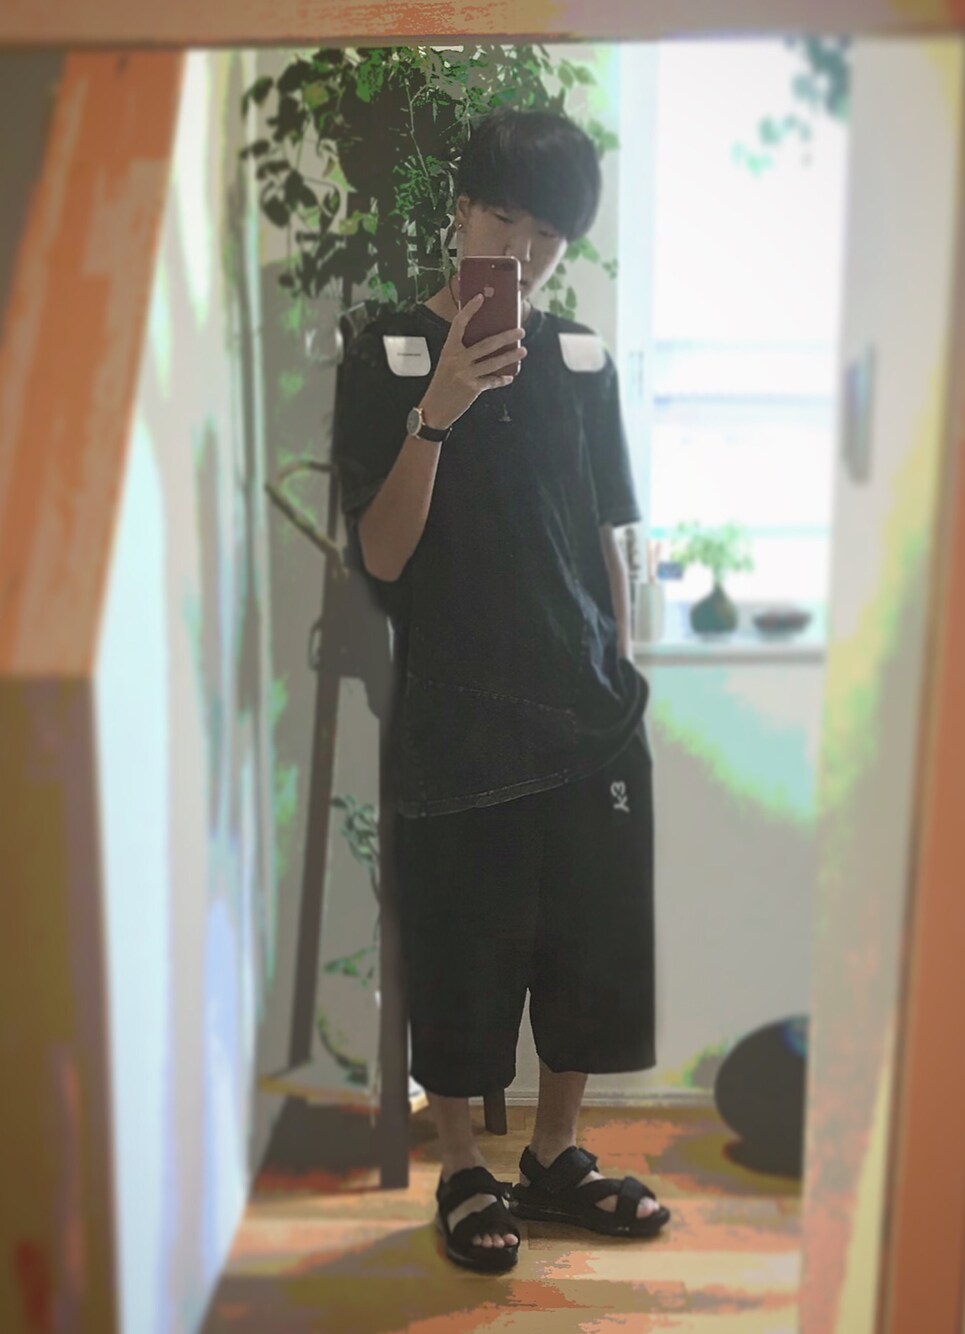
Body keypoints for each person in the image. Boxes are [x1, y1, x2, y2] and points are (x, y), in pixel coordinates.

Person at [333, 107, 668, 1273]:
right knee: (462, 946)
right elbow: (382, 554)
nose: (523, 253)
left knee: (588, 947)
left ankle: (556, 1154)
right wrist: (439, 410)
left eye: (549, 235)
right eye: (505, 221)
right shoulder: (385, 352)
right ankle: (464, 1164)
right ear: (462, 209)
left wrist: (621, 666)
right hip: (457, 710)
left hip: (586, 711)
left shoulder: (583, 362)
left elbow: (611, 535)